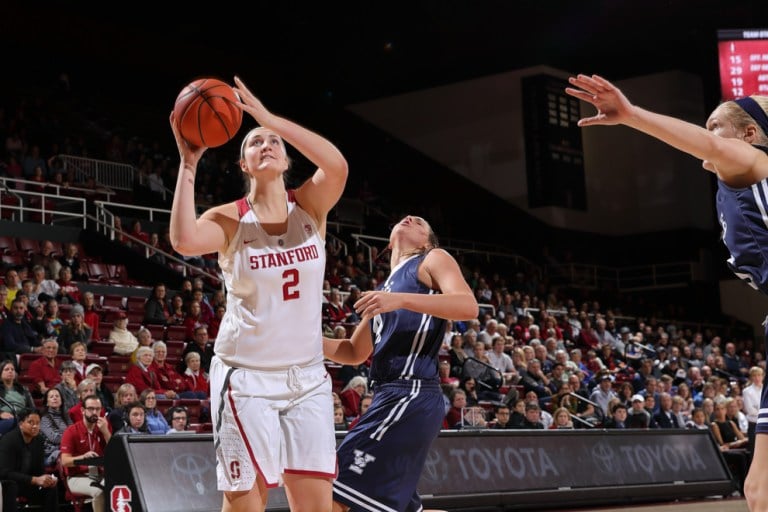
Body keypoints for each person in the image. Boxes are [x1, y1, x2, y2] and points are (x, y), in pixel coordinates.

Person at [565, 74, 768, 509]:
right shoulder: (739, 182)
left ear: (749, 134)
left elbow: (711, 146)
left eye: (716, 125)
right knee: (759, 487)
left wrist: (632, 114)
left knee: (760, 488)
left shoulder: (749, 161)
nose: (709, 134)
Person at [168, 75, 348, 512]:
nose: (265, 144)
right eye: (254, 142)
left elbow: (337, 165)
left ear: (287, 159)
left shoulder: (309, 207)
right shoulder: (230, 218)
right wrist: (188, 164)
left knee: (316, 507)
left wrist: (268, 119)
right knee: (247, 503)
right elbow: (185, 240)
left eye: (273, 142)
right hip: (246, 379)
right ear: (244, 164)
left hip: (306, 379)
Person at [322, 214, 478, 512]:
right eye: (407, 219)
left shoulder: (432, 259)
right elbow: (354, 351)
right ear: (390, 239)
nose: (410, 218)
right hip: (391, 396)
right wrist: (301, 340)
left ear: (428, 241)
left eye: (420, 222)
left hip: (411, 393)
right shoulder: (385, 288)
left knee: (333, 497)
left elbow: (467, 306)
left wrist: (402, 300)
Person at [0, 408, 59, 512]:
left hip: (28, 484)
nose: (35, 426)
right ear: (21, 424)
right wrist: (34, 480)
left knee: (51, 489)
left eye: (38, 423)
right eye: (30, 422)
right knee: (10, 486)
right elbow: (5, 473)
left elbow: (39, 470)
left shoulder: (39, 440)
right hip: (10, 483)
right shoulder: (8, 440)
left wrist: (47, 479)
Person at [60, 394, 111, 512]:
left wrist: (106, 432)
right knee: (99, 492)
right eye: (91, 409)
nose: (95, 412)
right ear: (83, 410)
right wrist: (83, 457)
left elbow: (115, 453)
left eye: (98, 409)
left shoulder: (102, 428)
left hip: (99, 474)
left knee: (118, 484)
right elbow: (65, 461)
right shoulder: (71, 431)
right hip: (77, 477)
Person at [39, 387, 73, 466]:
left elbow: (73, 432)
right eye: (51, 397)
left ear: (61, 400)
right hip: (50, 453)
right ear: (47, 402)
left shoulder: (66, 416)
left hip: (66, 447)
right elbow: (54, 438)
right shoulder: (44, 418)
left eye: (57, 396)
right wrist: (69, 438)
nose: (55, 398)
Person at [0, 359, 35, 435]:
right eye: (6, 369)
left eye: (12, 369)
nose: (10, 371)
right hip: (4, 420)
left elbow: (32, 408)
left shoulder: (23, 389)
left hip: (22, 418)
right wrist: (1, 413)